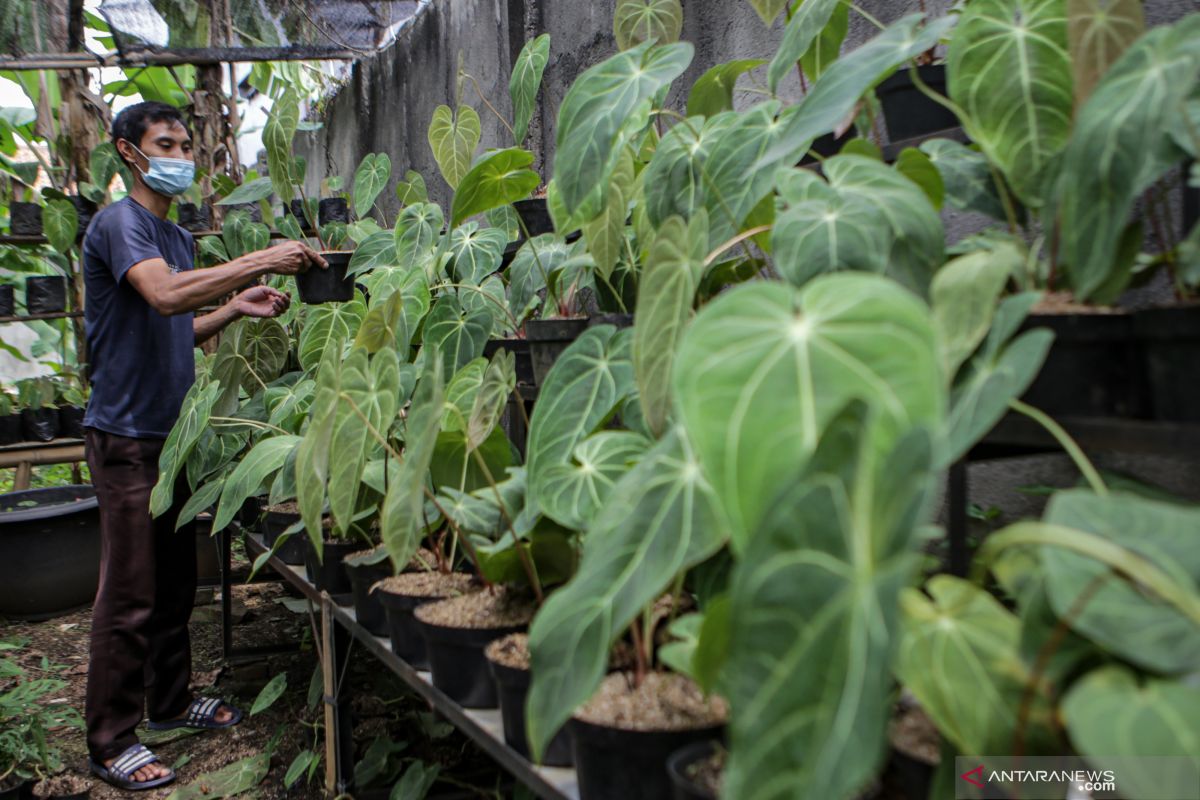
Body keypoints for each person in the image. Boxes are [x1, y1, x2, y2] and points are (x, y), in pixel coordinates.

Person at [82, 101, 326, 791]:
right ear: (130, 152)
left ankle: (168, 703)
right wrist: (259, 258)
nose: (181, 154)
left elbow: (174, 330)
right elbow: (161, 299)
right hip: (126, 435)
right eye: (166, 143)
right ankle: (111, 738)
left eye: (187, 143)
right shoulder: (119, 225)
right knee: (128, 591)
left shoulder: (175, 235)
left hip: (173, 431)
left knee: (172, 585)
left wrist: (232, 306)